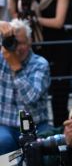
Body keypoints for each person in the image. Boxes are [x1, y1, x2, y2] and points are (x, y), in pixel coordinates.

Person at [8, 0, 72, 127]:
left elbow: (59, 22)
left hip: (57, 45)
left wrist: (35, 18)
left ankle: (60, 131)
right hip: (34, 45)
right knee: (35, 89)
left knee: (59, 92)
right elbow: (17, 19)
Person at [0, 19, 50, 155]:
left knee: (39, 150)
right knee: (3, 143)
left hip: (36, 125)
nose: (17, 48)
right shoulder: (2, 58)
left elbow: (31, 98)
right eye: (13, 42)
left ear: (30, 41)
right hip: (6, 125)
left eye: (21, 43)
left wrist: (16, 67)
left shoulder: (40, 64)